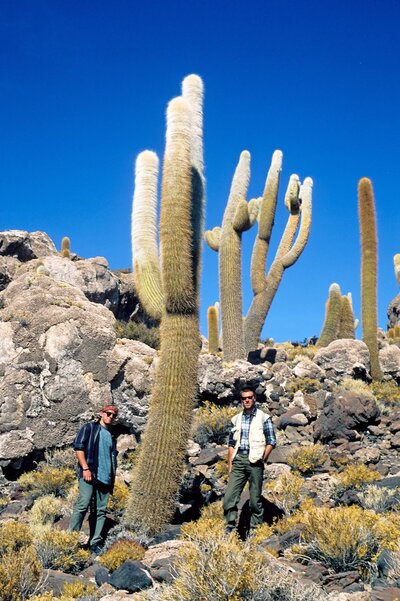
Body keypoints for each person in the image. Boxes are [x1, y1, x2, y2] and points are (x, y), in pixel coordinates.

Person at [223, 385, 276, 535]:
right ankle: (230, 527)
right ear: (241, 400)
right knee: (229, 496)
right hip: (239, 459)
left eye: (249, 398)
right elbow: (231, 444)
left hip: (255, 461)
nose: (247, 400)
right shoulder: (236, 419)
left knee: (255, 499)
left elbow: (271, 441)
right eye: (244, 398)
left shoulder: (264, 418)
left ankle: (255, 528)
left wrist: (262, 459)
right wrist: (230, 464)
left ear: (254, 399)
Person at [69, 404, 118, 554]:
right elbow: (79, 448)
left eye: (113, 415)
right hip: (89, 473)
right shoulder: (89, 428)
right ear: (101, 413)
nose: (110, 417)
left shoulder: (111, 436)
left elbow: (112, 459)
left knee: (101, 511)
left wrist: (111, 478)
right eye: (108, 413)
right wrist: (85, 468)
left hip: (105, 477)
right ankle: (71, 539)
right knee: (83, 504)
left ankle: (94, 543)